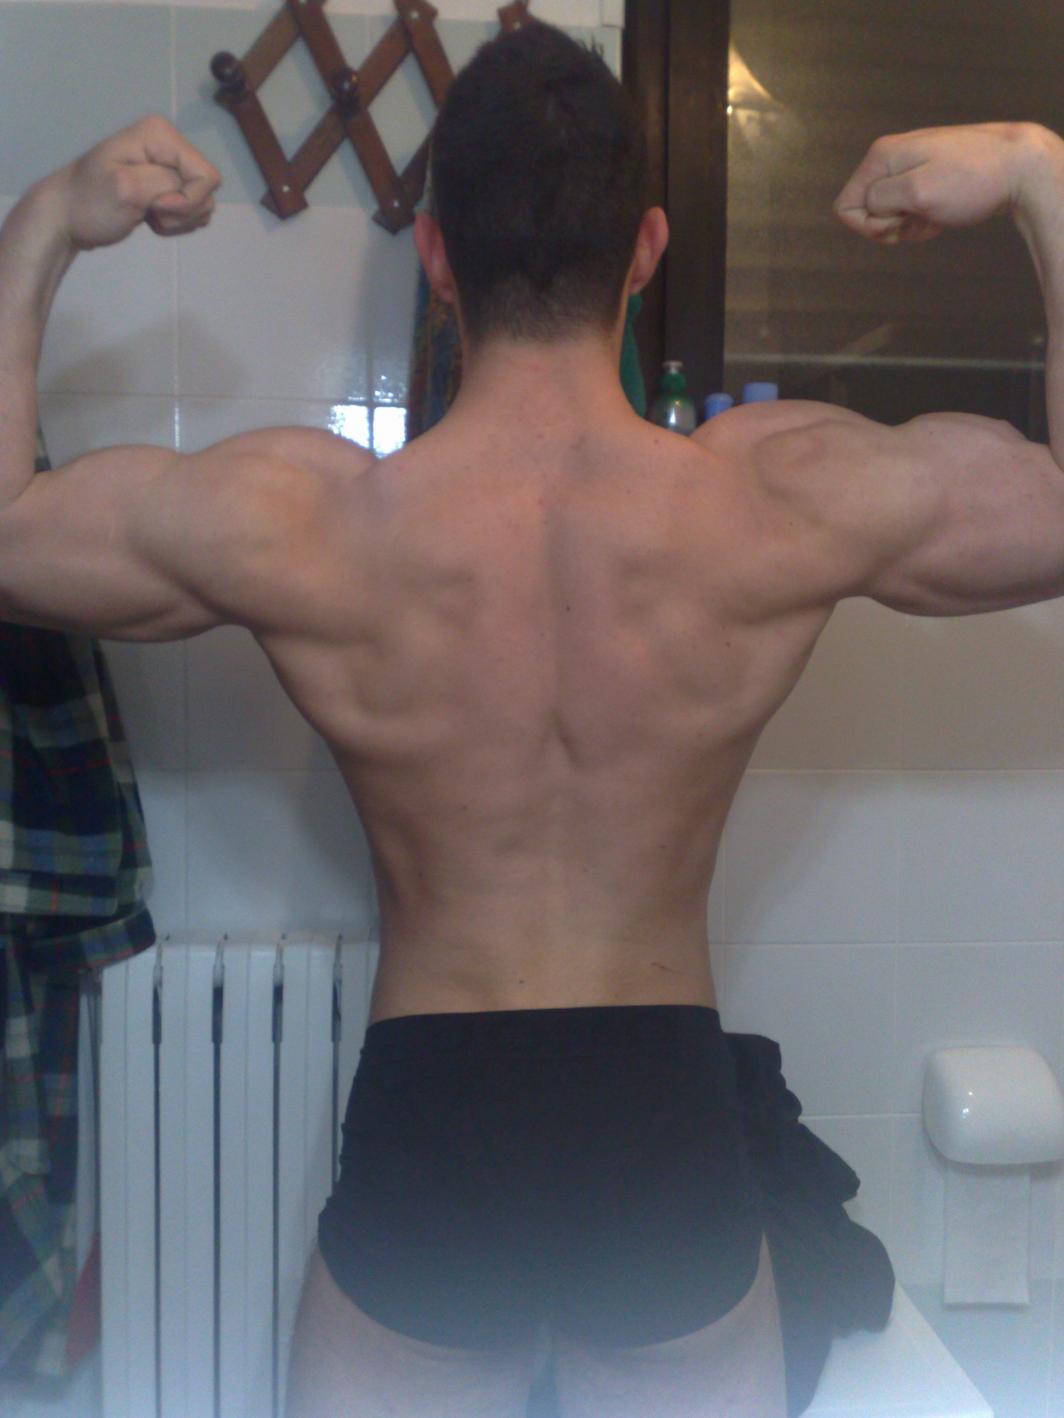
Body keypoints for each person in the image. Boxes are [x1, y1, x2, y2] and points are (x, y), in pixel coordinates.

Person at [1, 17, 1063, 1418]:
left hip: (433, 1123)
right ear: (647, 249)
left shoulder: (317, 520)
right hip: (662, 1120)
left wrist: (43, 225)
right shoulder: (772, 495)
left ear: (439, 258)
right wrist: (1039, 174)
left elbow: (10, 530)